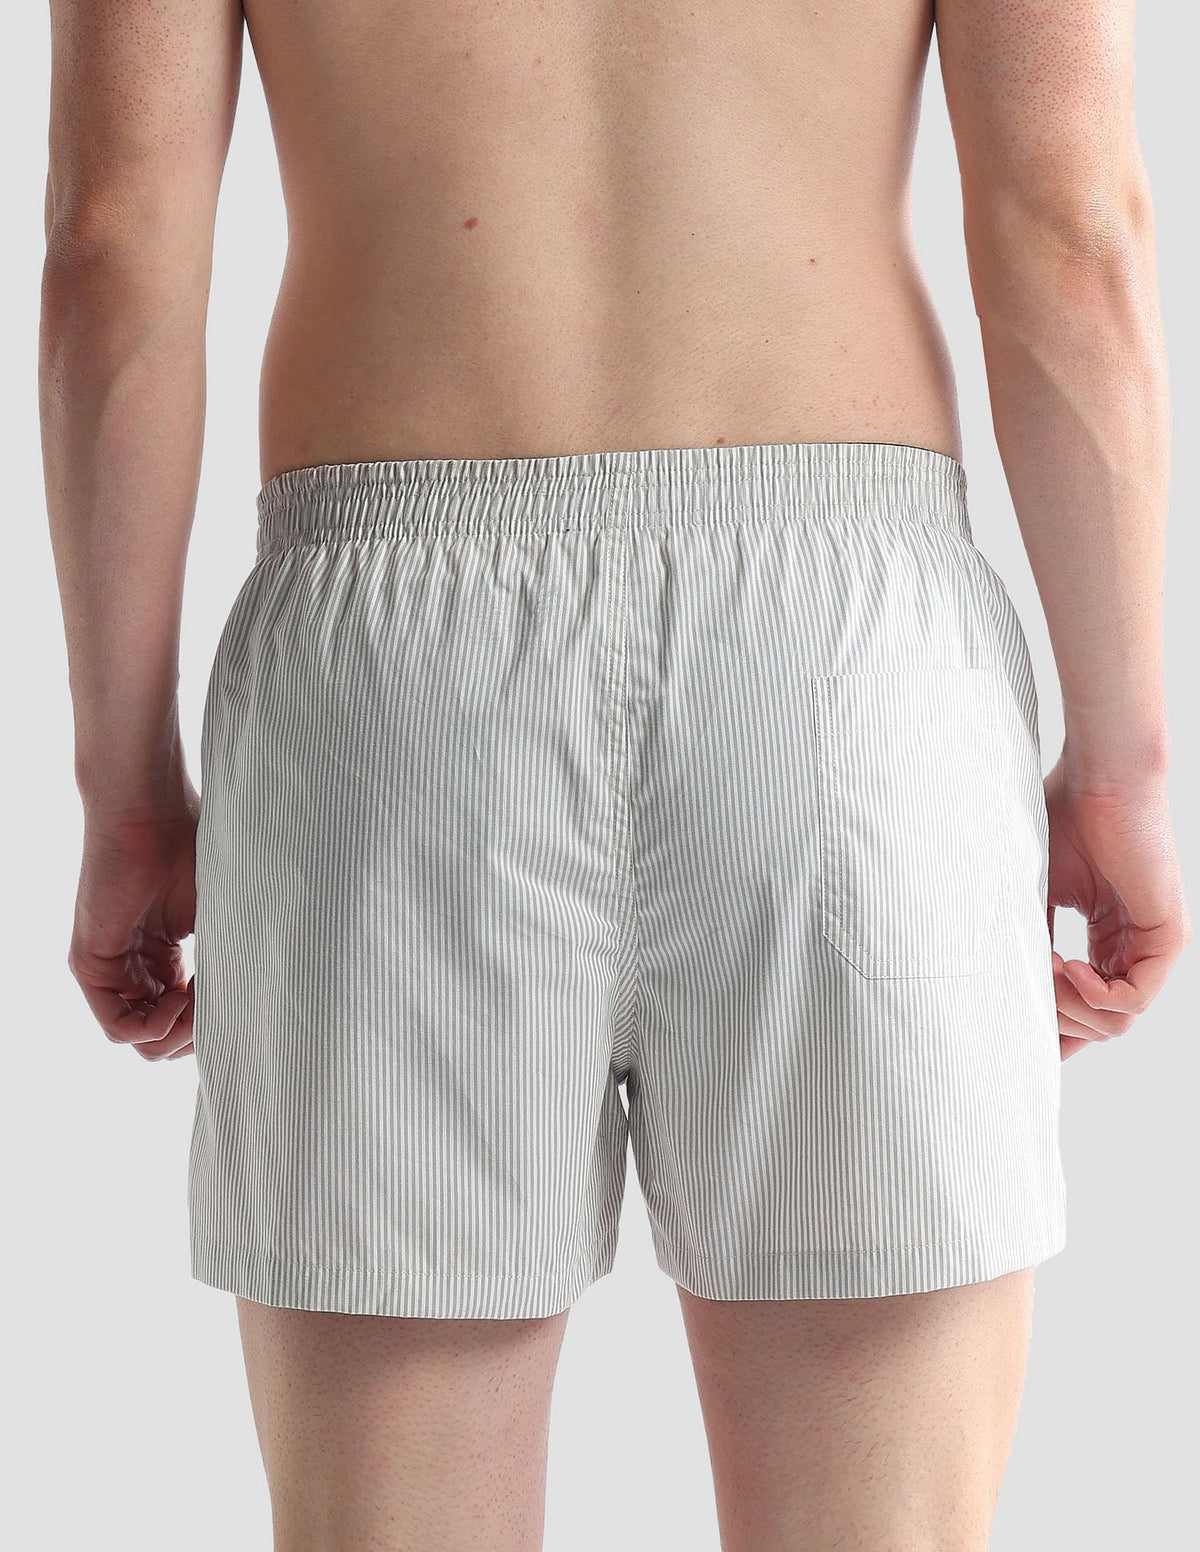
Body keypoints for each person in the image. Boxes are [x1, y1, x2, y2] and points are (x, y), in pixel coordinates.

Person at [40, 0, 1188, 1546]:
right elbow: (1072, 230)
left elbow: (112, 254)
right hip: (844, 674)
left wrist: (125, 791)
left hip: (394, 680)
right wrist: (1121, 769)